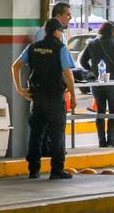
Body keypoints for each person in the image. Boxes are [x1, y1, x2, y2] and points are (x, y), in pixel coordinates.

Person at [12, 17, 76, 180]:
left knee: (36, 133)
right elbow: (68, 74)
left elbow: (15, 66)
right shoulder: (61, 48)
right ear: (56, 32)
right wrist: (73, 96)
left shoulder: (33, 47)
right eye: (61, 30)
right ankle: (57, 170)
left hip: (37, 97)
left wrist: (19, 89)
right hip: (54, 97)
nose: (61, 33)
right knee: (57, 134)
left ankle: (33, 170)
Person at [79, 20, 114, 148]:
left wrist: (92, 70)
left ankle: (101, 140)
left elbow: (83, 61)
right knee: (113, 111)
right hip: (112, 81)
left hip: (97, 82)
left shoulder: (93, 43)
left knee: (100, 110)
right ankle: (111, 139)